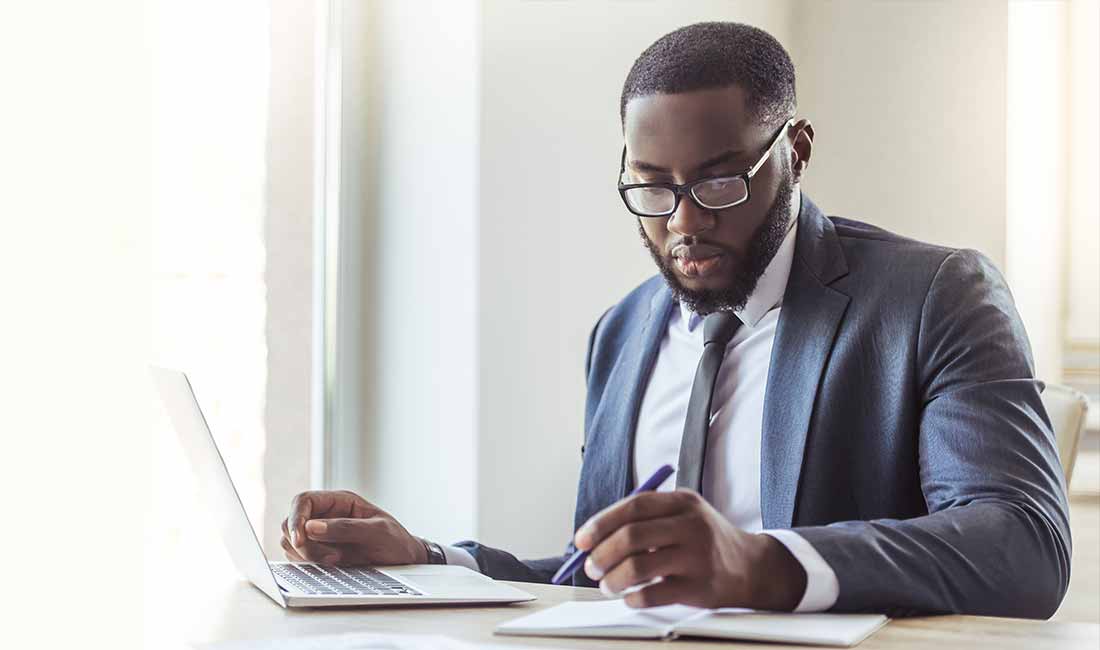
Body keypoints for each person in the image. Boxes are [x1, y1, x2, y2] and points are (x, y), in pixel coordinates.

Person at [280, 22, 1070, 619]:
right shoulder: (622, 332)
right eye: (652, 189)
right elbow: (597, 580)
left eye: (721, 184)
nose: (684, 223)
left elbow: (1022, 543)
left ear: (796, 150)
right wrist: (427, 560)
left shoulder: (933, 296)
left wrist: (760, 564)